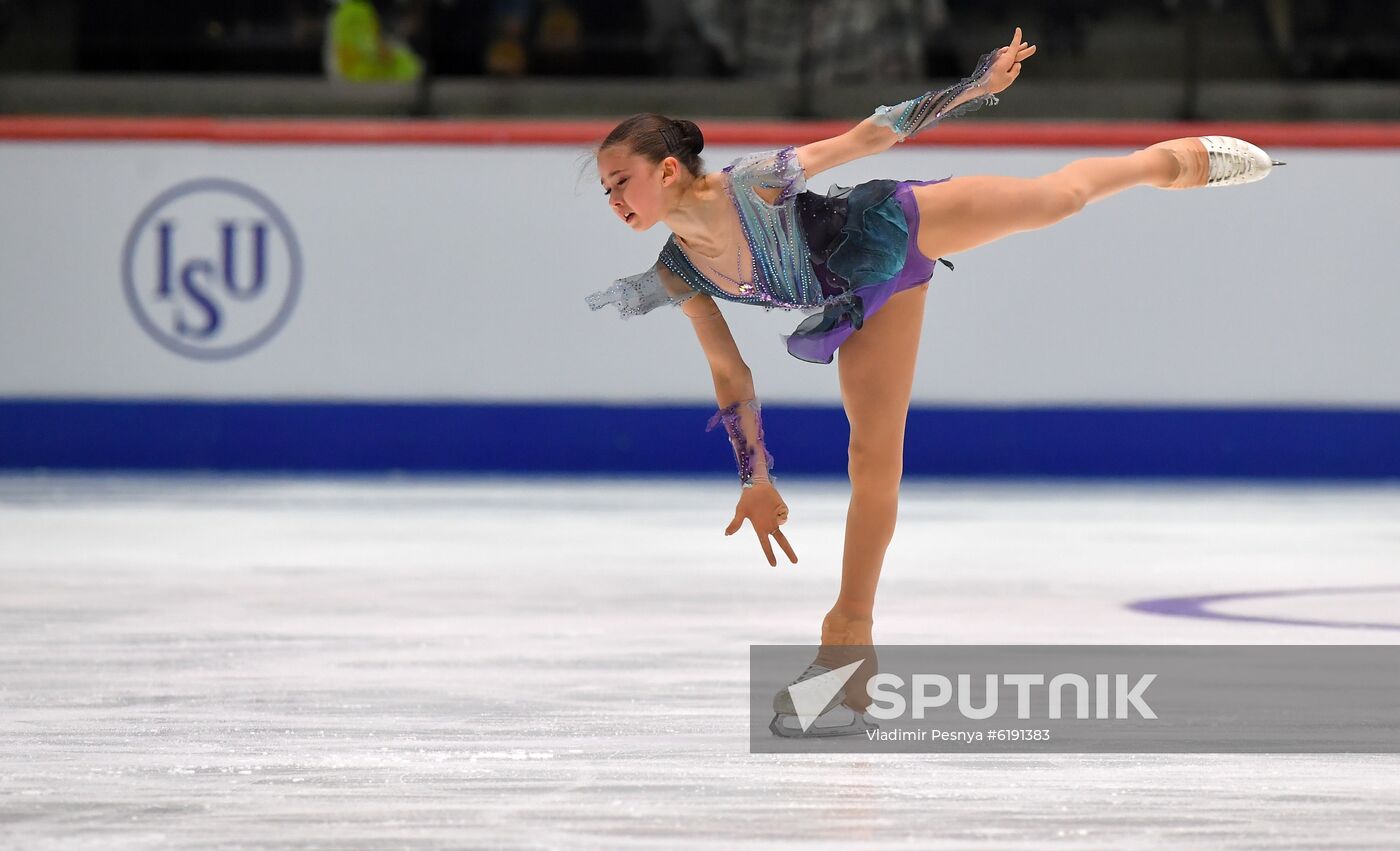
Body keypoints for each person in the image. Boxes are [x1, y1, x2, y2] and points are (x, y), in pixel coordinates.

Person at [586, 28, 1282, 736]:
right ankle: (847, 650)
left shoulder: (751, 182)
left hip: (897, 224)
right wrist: (754, 476)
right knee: (873, 460)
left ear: (667, 171)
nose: (613, 199)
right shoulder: (679, 270)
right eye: (607, 190)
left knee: (1056, 201)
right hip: (858, 297)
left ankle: (1168, 160)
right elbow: (730, 371)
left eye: (621, 181)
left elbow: (867, 136)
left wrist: (974, 87)